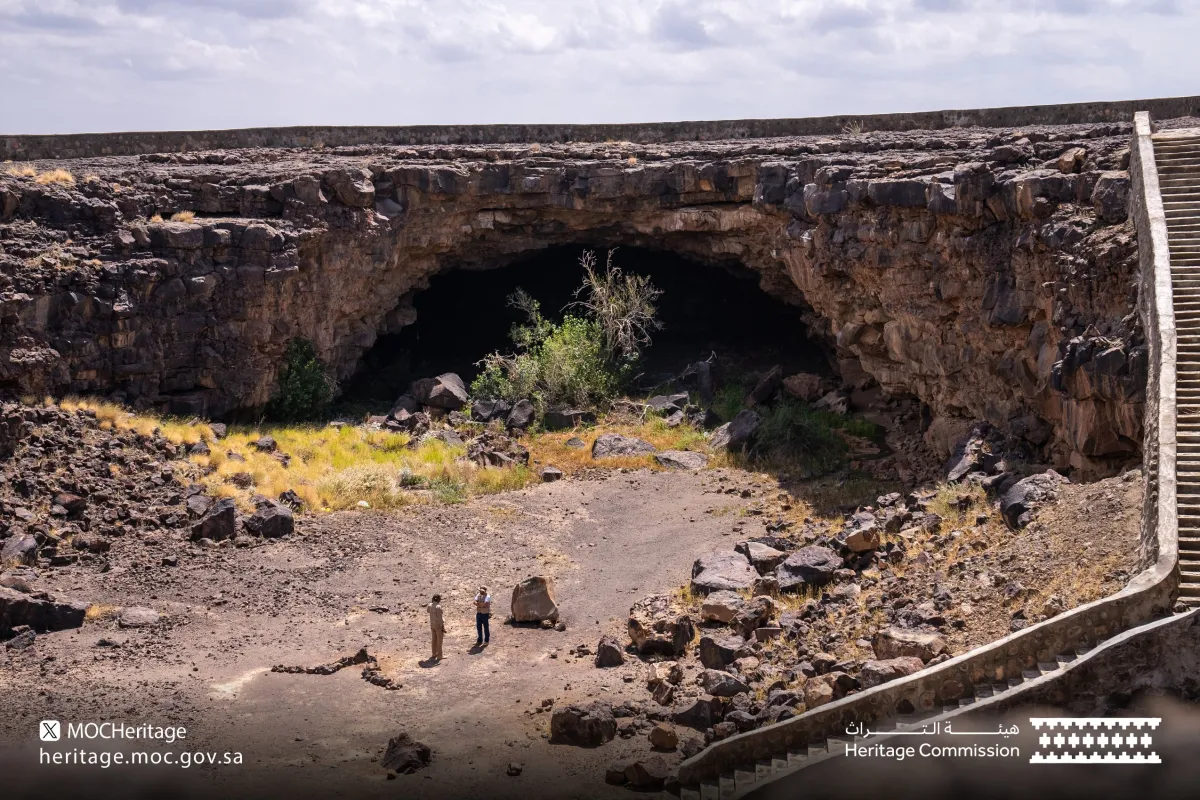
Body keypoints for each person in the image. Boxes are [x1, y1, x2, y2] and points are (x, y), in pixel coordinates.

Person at [427, 594, 445, 662]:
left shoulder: (430, 605)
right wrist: (443, 627)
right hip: (438, 626)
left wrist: (432, 602)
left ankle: (434, 653)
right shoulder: (438, 607)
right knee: (439, 641)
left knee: (434, 640)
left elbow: (428, 611)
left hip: (432, 625)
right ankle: (439, 656)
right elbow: (440, 619)